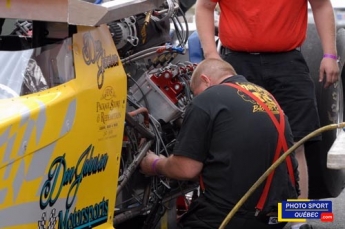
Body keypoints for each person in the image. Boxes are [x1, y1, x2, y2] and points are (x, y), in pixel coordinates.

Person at [195, 1, 340, 228]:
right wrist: (211, 55)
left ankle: (296, 221)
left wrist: (330, 55)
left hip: (288, 62)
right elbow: (203, 7)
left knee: (297, 142)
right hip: (237, 62)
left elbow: (321, 5)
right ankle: (243, 218)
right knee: (237, 142)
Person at [140, 58, 300, 229]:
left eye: (195, 93)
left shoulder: (207, 99)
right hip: (281, 212)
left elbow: (186, 169)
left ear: (205, 80)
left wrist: (155, 164)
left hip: (234, 216)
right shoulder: (264, 95)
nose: (194, 98)